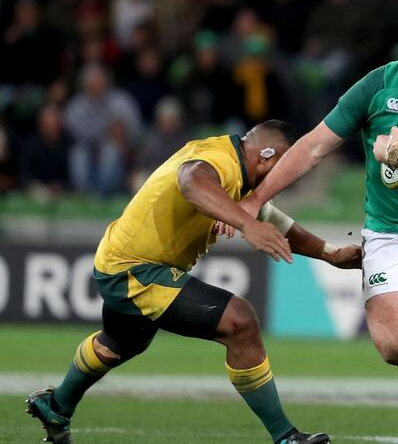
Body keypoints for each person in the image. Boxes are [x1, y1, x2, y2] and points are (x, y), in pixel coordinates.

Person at [216, 1, 398, 444]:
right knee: (395, 348)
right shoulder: (377, 85)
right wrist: (255, 199)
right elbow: (313, 147)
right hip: (388, 232)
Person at [26, 120, 361, 444]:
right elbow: (191, 180)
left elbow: (277, 222)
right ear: (267, 157)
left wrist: (330, 254)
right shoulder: (222, 162)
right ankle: (285, 436)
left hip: (127, 262)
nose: (286, 180)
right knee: (240, 322)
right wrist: (247, 224)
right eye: (285, 169)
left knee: (117, 345)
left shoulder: (240, 172)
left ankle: (56, 407)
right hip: (135, 269)